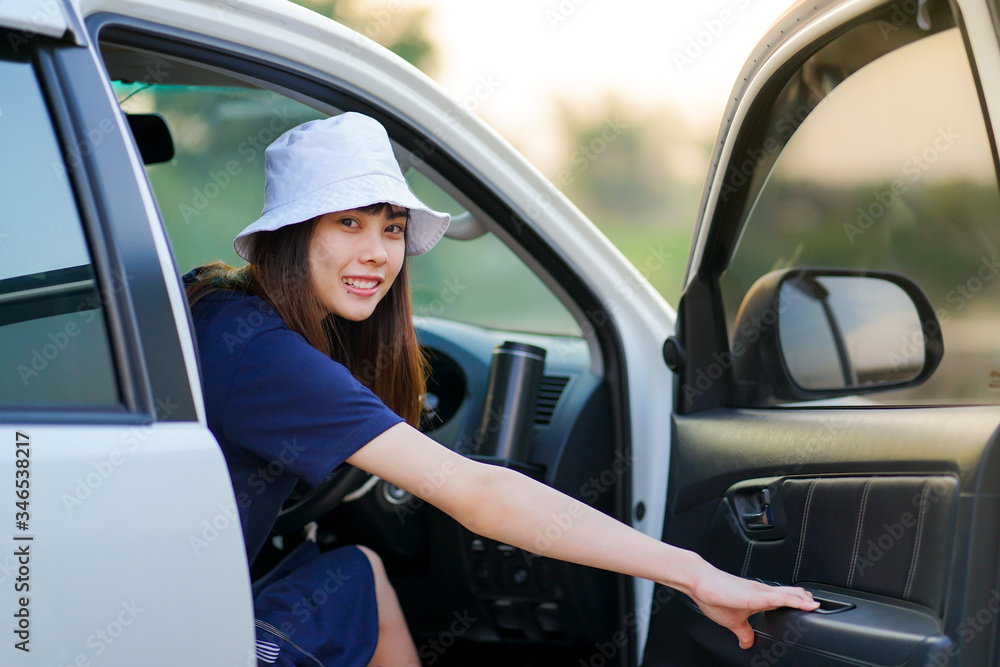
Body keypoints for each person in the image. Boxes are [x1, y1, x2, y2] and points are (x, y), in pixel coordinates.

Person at [185, 112, 818, 667]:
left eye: (393, 228)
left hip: (189, 595)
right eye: (349, 223)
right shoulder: (262, 354)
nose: (378, 253)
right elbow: (481, 493)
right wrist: (694, 574)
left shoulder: (220, 308)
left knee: (361, 575)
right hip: (184, 634)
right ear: (290, 235)